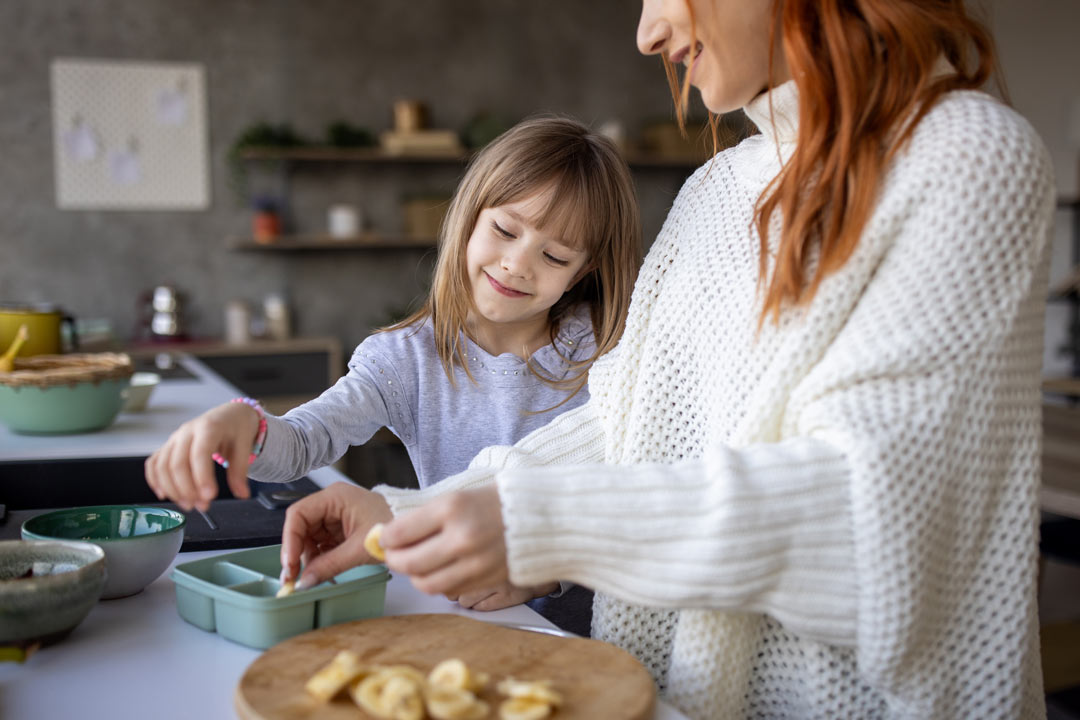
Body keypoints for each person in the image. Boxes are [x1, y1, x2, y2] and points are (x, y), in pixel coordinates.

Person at [279, 0, 1055, 717]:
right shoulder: (717, 189)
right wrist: (409, 515)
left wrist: (538, 525)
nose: (648, 32)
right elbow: (625, 427)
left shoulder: (967, 157)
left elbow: (880, 517)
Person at [143, 115, 643, 636]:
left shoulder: (612, 353)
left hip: (591, 644)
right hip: (461, 626)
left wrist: (545, 576)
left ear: (583, 271)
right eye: (504, 229)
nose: (518, 264)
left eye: (554, 255)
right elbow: (306, 439)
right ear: (469, 217)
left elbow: (633, 506)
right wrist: (244, 424)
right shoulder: (405, 359)